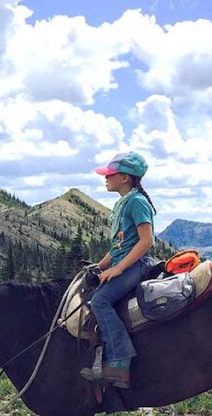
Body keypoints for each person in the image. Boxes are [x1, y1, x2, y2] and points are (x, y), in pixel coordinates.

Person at [79, 151, 157, 389]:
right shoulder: (122, 203)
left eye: (110, 174)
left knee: (100, 301)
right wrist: (100, 266)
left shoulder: (137, 202)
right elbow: (118, 247)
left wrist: (118, 269)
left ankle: (120, 360)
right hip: (125, 263)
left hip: (137, 264)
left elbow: (146, 241)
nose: (106, 178)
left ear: (124, 178)